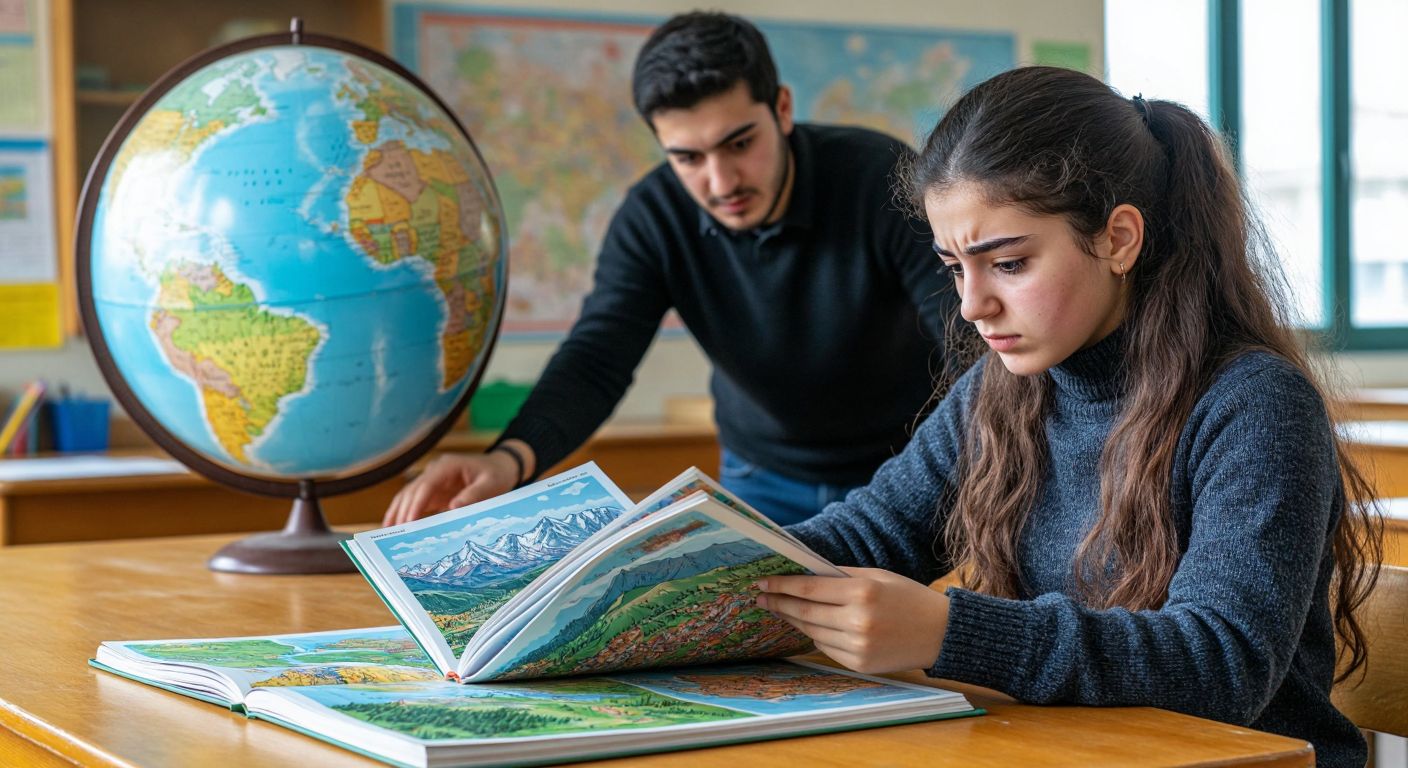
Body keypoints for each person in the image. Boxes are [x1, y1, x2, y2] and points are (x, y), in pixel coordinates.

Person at [756, 66, 1384, 767]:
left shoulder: (1254, 404)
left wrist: (947, 631)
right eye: (955, 267)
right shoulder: (1000, 393)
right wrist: (677, 562)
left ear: (1118, 239)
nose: (972, 305)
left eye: (1010, 263)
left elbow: (1220, 666)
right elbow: (865, 534)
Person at [384, 12, 962, 527]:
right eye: (688, 157)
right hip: (760, 479)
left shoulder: (881, 180)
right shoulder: (653, 216)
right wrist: (508, 459)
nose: (720, 182)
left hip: (911, 467)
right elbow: (597, 358)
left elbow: (966, 339)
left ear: (782, 109)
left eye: (739, 144)